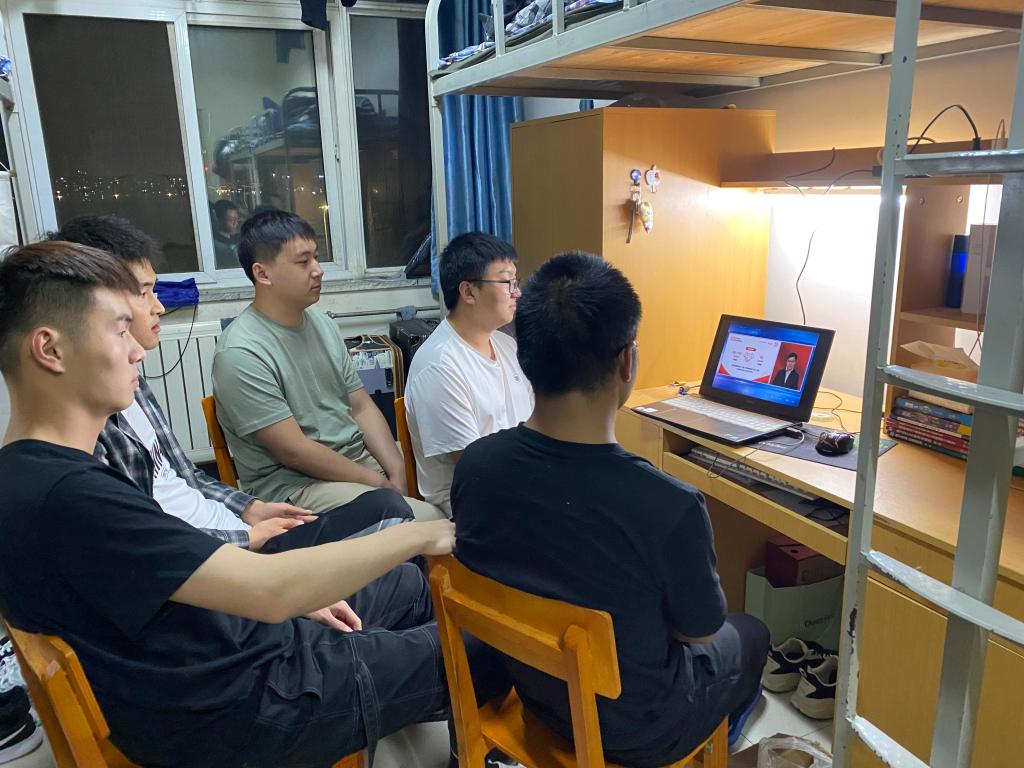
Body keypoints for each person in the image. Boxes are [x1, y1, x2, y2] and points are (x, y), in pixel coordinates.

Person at [0, 241, 507, 767]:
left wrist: (299, 599)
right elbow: (271, 590)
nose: (137, 350)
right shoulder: (73, 497)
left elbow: (192, 585)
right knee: (492, 646)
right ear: (50, 349)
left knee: (409, 586)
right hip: (243, 703)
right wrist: (421, 533)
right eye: (119, 329)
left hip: (228, 649)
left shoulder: (30, 473)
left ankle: (413, 707)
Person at [452, 252, 769, 767]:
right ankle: (708, 743)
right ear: (627, 362)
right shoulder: (671, 506)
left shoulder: (477, 466)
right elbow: (700, 632)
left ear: (524, 357)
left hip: (535, 694)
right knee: (751, 632)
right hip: (637, 733)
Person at [50, 215, 414, 568]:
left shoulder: (133, 384)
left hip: (240, 528)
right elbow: (144, 545)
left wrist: (248, 509)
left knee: (403, 545)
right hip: (251, 529)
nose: (159, 306)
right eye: (144, 292)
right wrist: (248, 541)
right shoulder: (239, 352)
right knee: (406, 528)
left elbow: (185, 479)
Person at [212, 211, 443, 521]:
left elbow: (360, 407)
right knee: (431, 521)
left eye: (316, 258)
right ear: (263, 274)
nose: (318, 270)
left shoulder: (323, 324)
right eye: (303, 262)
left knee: (455, 475)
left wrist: (397, 470)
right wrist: (379, 483)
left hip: (354, 461)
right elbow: (295, 451)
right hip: (297, 486)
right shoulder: (241, 352)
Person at [405, 232, 533, 514]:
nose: (517, 293)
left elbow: (537, 424)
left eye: (516, 282)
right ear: (468, 292)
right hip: (475, 504)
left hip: (522, 485)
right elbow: (478, 468)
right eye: (507, 282)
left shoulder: (507, 345)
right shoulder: (439, 366)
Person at [212, 199, 241, 269]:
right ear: (219, 219)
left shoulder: (238, 238)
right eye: (231, 220)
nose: (235, 223)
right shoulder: (216, 244)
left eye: (237, 219)